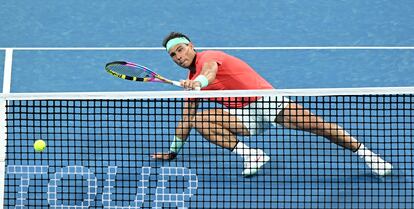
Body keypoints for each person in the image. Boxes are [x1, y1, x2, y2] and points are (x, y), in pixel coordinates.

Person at [151, 32, 392, 177]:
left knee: (319, 126)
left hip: (267, 102)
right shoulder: (190, 83)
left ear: (191, 45)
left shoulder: (210, 57)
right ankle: (252, 155)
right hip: (243, 114)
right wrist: (173, 151)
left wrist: (200, 83)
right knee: (199, 120)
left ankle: (368, 155)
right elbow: (185, 120)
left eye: (180, 50)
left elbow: (210, 72)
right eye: (173, 55)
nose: (178, 57)